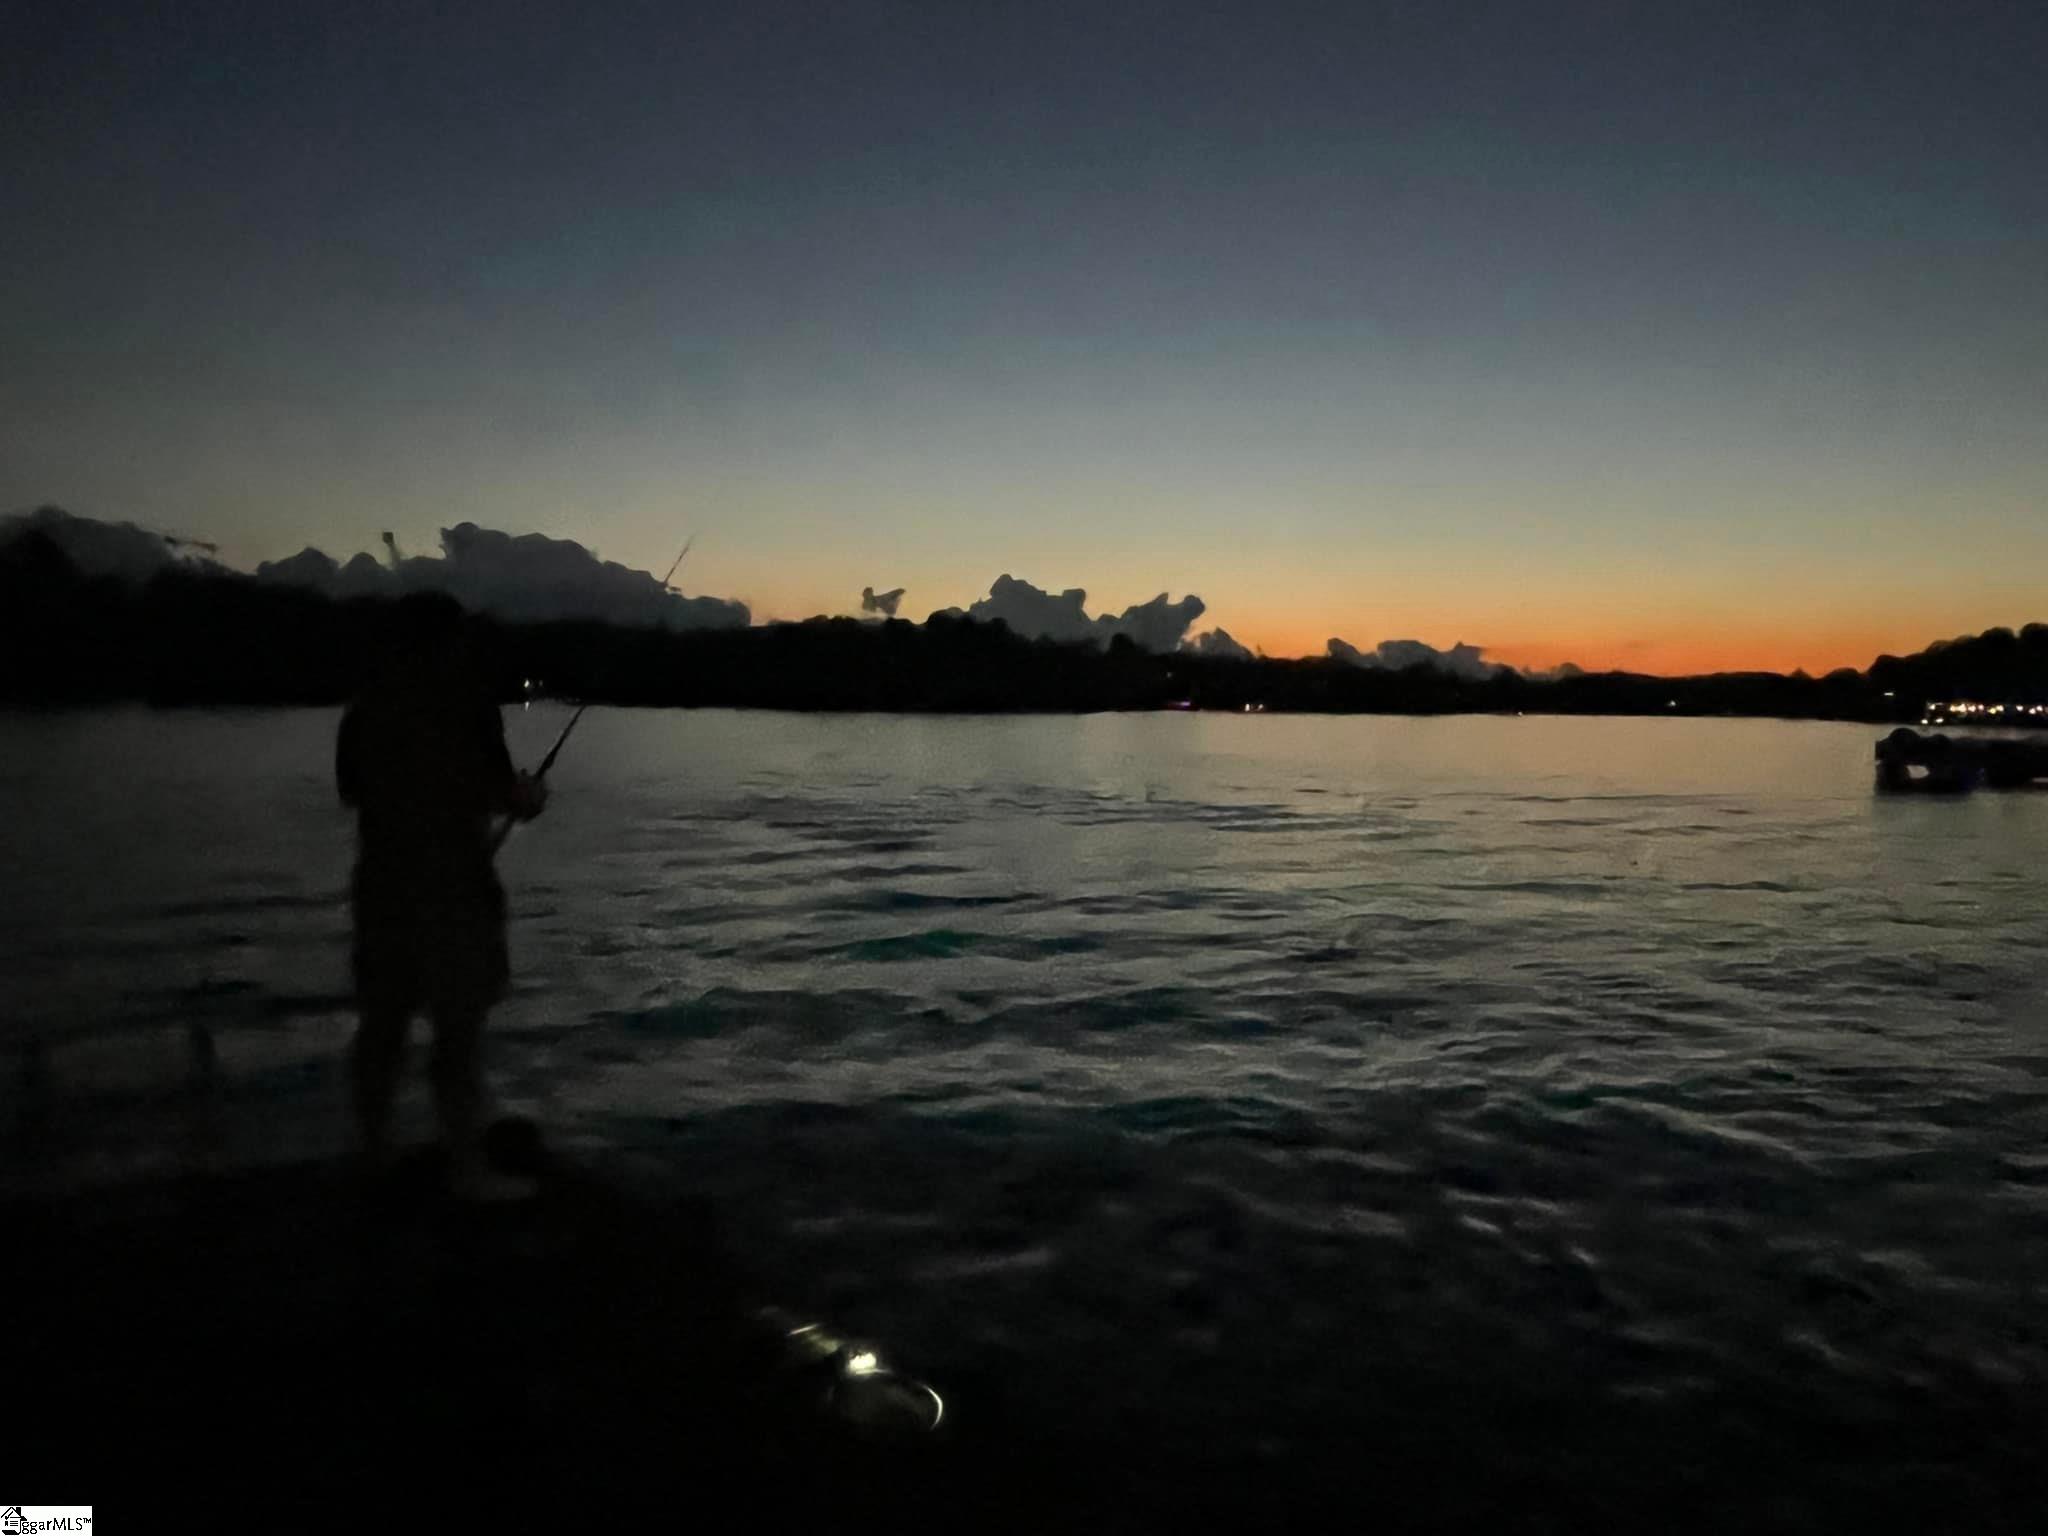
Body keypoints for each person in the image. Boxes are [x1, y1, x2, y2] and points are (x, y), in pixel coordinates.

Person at [336, 591, 546, 1198]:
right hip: (457, 894)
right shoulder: (470, 709)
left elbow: (352, 793)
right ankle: (466, 1169)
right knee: (458, 1036)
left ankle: (373, 1154)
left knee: (381, 1030)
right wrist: (528, 797)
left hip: (381, 889)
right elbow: (502, 793)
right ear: (449, 642)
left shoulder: (364, 710)